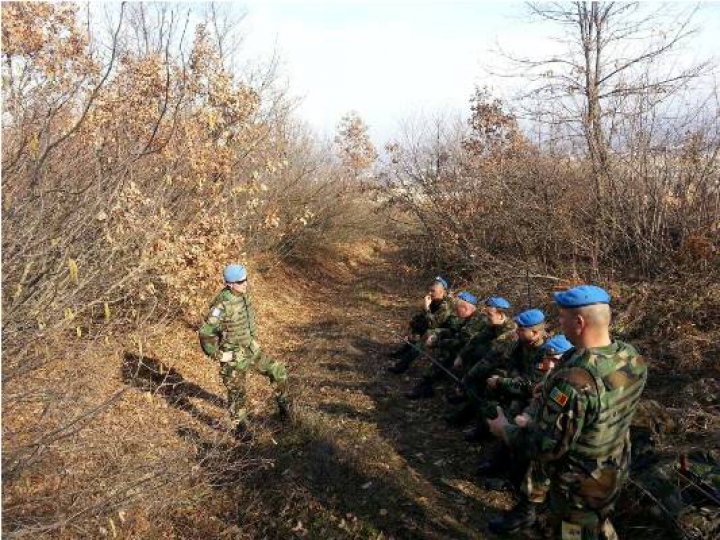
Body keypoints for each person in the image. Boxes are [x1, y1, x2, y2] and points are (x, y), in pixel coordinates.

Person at [487, 285, 648, 539]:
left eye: (562, 317)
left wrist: (504, 429)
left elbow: (545, 447)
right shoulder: (630, 356)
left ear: (579, 322)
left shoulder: (577, 381)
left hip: (579, 484)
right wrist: (549, 388)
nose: (559, 323)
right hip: (614, 468)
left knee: (574, 531)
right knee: (596, 524)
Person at [198, 264, 290, 440]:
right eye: (241, 281)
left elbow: (248, 320)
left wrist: (252, 338)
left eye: (246, 279)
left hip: (250, 351)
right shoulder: (221, 304)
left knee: (278, 371)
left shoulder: (243, 295)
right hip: (233, 358)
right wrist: (217, 355)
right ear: (230, 284)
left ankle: (285, 411)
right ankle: (242, 432)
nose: (245, 283)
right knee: (238, 395)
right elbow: (205, 332)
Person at [463, 308, 547, 442]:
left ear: (535, 332)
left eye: (521, 329)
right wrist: (504, 377)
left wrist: (502, 382)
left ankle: (505, 447)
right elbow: (509, 362)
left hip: (532, 396)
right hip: (516, 383)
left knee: (513, 405)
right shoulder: (521, 343)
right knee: (489, 388)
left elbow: (531, 386)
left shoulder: (546, 353)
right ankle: (484, 429)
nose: (516, 331)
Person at [406, 291, 485, 400]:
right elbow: (454, 331)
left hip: (474, 356)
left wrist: (437, 343)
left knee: (445, 356)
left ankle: (426, 386)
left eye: (457, 309)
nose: (456, 313)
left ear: (465, 308)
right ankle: (426, 386)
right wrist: (437, 335)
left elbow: (460, 342)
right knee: (441, 345)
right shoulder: (469, 317)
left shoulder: (477, 321)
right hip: (466, 350)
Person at [388, 276, 454, 374]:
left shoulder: (447, 304)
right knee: (419, 323)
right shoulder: (435, 299)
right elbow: (423, 318)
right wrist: (412, 328)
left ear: (443, 291)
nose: (430, 293)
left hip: (449, 330)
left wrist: (427, 307)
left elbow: (433, 324)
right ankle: (404, 352)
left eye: (433, 291)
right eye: (429, 290)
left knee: (428, 333)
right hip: (436, 325)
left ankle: (402, 365)